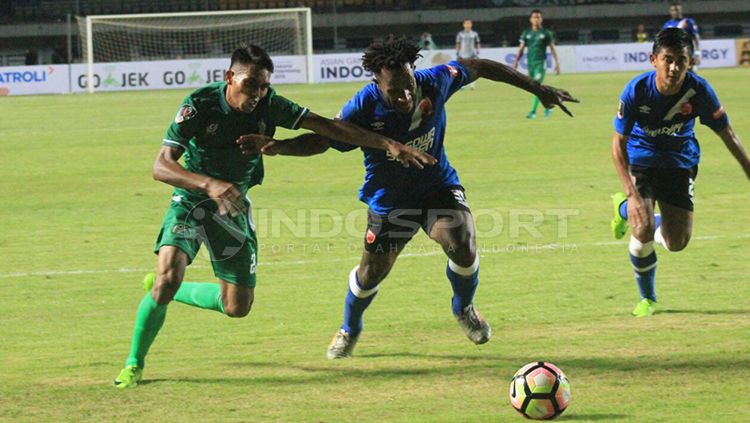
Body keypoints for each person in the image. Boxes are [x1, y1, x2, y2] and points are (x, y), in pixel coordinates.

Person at [112, 45, 435, 388]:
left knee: (236, 306)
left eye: (264, 86)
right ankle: (134, 363)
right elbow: (161, 165)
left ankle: (174, 290)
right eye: (250, 84)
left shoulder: (270, 104)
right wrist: (209, 184)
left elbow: (328, 128)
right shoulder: (200, 104)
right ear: (229, 78)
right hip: (191, 199)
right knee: (167, 275)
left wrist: (388, 144)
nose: (258, 94)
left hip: (232, 206)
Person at [241, 36, 578, 359]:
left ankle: (464, 308)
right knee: (371, 274)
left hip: (437, 187)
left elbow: (482, 66)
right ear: (376, 83)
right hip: (390, 200)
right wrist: (280, 147)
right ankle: (349, 327)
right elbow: (326, 139)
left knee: (462, 241)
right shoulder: (362, 106)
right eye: (393, 91)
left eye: (408, 86)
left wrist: (539, 89)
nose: (404, 96)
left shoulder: (437, 80)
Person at [609, 28, 750, 317]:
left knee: (677, 243)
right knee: (643, 228)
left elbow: (728, 135)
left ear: (690, 61)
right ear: (653, 60)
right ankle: (647, 298)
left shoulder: (699, 92)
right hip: (642, 160)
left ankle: (623, 211)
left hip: (679, 162)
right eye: (668, 59)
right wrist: (631, 193)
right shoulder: (636, 90)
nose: (674, 67)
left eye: (681, 60)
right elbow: (617, 146)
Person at [513, 9, 560, 119]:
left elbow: (552, 49)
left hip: (540, 63)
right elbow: (521, 50)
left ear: (541, 19)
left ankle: (533, 112)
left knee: (536, 86)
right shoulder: (527, 33)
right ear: (530, 19)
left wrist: (557, 63)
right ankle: (548, 107)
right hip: (530, 64)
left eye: (538, 17)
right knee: (536, 88)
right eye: (534, 17)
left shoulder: (546, 33)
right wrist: (516, 62)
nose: (536, 19)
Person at [663, 3, 700, 69]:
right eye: (673, 10)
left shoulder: (688, 22)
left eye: (677, 10)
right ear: (670, 12)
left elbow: (696, 37)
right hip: (673, 55)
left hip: (687, 53)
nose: (676, 12)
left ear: (681, 10)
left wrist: (697, 53)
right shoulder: (667, 25)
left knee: (690, 75)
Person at [456, 20, 480, 89]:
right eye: (466, 23)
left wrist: (478, 50)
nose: (467, 25)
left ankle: (472, 85)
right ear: (463, 25)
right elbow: (458, 43)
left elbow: (477, 42)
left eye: (469, 23)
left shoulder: (474, 34)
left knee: (473, 70)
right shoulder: (460, 34)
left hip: (472, 54)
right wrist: (457, 51)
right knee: (462, 70)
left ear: (471, 24)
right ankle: (462, 85)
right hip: (463, 54)